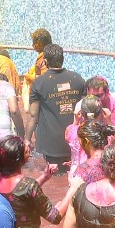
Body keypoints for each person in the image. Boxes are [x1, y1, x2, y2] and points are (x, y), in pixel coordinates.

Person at [28, 44, 87, 172]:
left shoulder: (39, 82)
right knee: (75, 173)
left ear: (45, 61)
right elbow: (85, 111)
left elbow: (33, 114)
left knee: (53, 176)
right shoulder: (77, 79)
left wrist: (27, 139)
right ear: (62, 58)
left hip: (51, 144)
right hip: (75, 140)